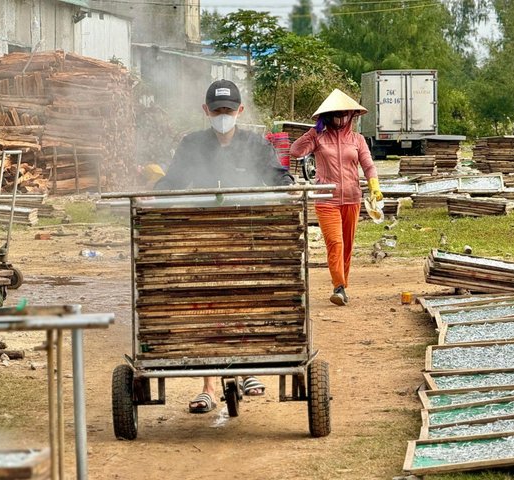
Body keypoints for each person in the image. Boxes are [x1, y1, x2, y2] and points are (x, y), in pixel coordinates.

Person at [155, 79, 293, 414]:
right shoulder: (192, 144)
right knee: (208, 305)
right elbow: (174, 181)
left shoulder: (255, 144)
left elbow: (277, 175)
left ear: (240, 110)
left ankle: (245, 370)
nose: (222, 116)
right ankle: (208, 387)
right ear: (206, 111)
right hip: (203, 237)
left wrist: (288, 186)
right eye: (216, 110)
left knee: (242, 300)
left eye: (228, 110)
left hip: (243, 235)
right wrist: (154, 193)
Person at [290, 88, 382, 307]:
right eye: (336, 114)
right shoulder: (318, 137)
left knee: (347, 246)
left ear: (351, 115)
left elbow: (368, 166)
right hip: (326, 199)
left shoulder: (358, 140)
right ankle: (338, 286)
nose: (340, 118)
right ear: (328, 116)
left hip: (352, 198)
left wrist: (374, 186)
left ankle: (342, 287)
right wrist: (313, 131)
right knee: (335, 242)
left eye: (344, 114)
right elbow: (295, 151)